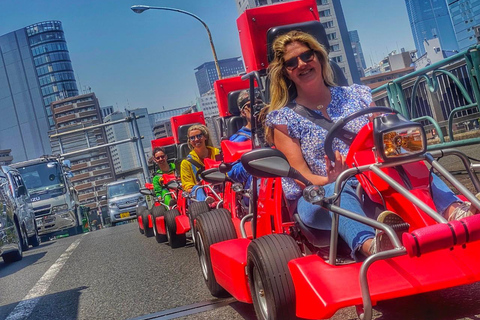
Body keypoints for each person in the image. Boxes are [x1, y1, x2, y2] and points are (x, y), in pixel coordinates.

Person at [264, 30, 476, 259]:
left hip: (375, 178)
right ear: (285, 72)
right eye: (292, 63)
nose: (302, 64)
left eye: (306, 56)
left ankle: (455, 212)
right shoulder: (283, 119)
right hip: (321, 195)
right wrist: (332, 179)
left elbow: (384, 132)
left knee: (413, 160)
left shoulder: (357, 95)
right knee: (339, 190)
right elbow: (300, 175)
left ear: (319, 57)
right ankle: (371, 246)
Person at [180, 124, 220, 201]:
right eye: (192, 138)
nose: (196, 139)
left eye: (199, 136)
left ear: (205, 137)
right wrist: (199, 185)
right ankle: (206, 202)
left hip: (220, 186)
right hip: (199, 194)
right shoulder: (186, 163)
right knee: (197, 188)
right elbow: (188, 186)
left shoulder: (218, 153)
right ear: (190, 141)